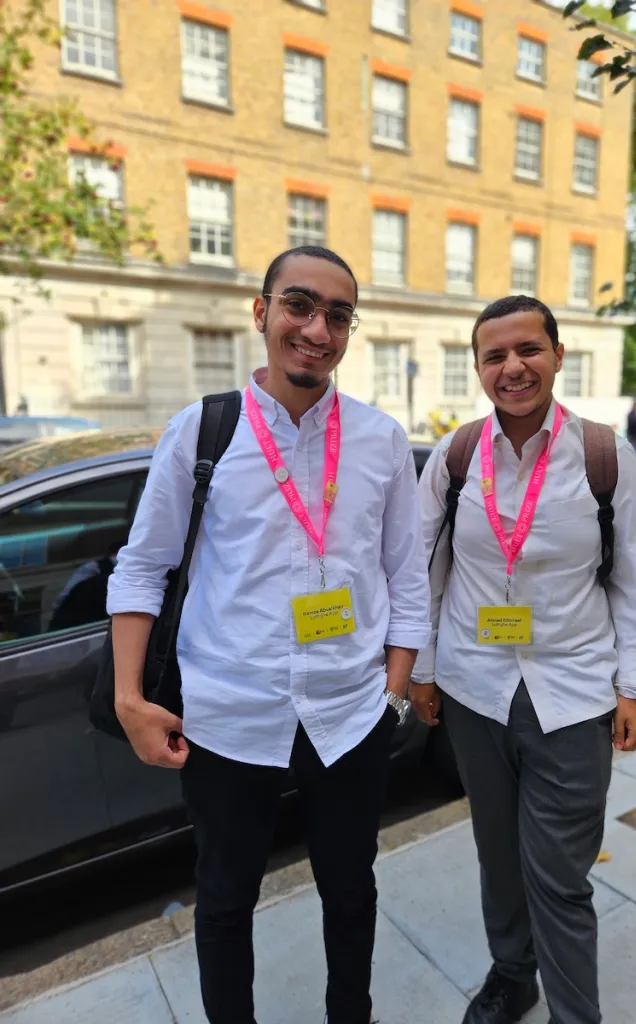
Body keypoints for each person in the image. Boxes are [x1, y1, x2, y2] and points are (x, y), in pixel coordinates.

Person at [107, 245, 431, 1024]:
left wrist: (391, 693)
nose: (317, 329)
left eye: (338, 314)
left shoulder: (382, 440)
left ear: (351, 329)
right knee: (223, 900)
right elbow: (142, 567)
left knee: (352, 890)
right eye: (299, 305)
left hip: (348, 714)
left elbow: (406, 577)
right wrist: (128, 699)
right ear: (262, 312)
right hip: (228, 712)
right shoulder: (202, 430)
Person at [411, 295, 636, 1024]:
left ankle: (574, 1015)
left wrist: (634, 687)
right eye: (495, 355)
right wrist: (423, 673)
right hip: (475, 689)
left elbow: (635, 577)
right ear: (479, 367)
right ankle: (513, 974)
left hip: (574, 692)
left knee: (559, 875)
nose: (513, 367)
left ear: (556, 353)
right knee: (497, 853)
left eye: (528, 350)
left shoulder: (605, 454)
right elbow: (423, 570)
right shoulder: (456, 457)